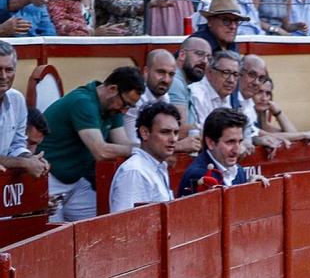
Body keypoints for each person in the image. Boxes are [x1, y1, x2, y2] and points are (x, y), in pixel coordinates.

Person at [41, 65, 143, 223]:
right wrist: (143, 150)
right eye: (125, 104)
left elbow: (123, 144)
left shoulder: (113, 107)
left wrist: (137, 150)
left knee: (101, 226)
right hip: (50, 180)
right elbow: (101, 151)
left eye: (129, 106)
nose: (125, 111)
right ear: (112, 89)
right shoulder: (83, 103)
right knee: (53, 239)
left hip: (76, 182)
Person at [107, 101, 183, 213]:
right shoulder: (134, 172)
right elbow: (125, 224)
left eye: (176, 133)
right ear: (145, 133)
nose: (173, 139)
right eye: (165, 132)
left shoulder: (158, 166)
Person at [0, 41, 50, 179]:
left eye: (9, 70)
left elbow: (16, 145)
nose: (3, 76)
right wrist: (23, 163)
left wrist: (30, 159)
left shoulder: (17, 99)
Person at [177, 107, 253, 195]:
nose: (237, 150)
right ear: (210, 142)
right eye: (230, 142)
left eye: (240, 141)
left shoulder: (238, 170)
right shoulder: (198, 175)